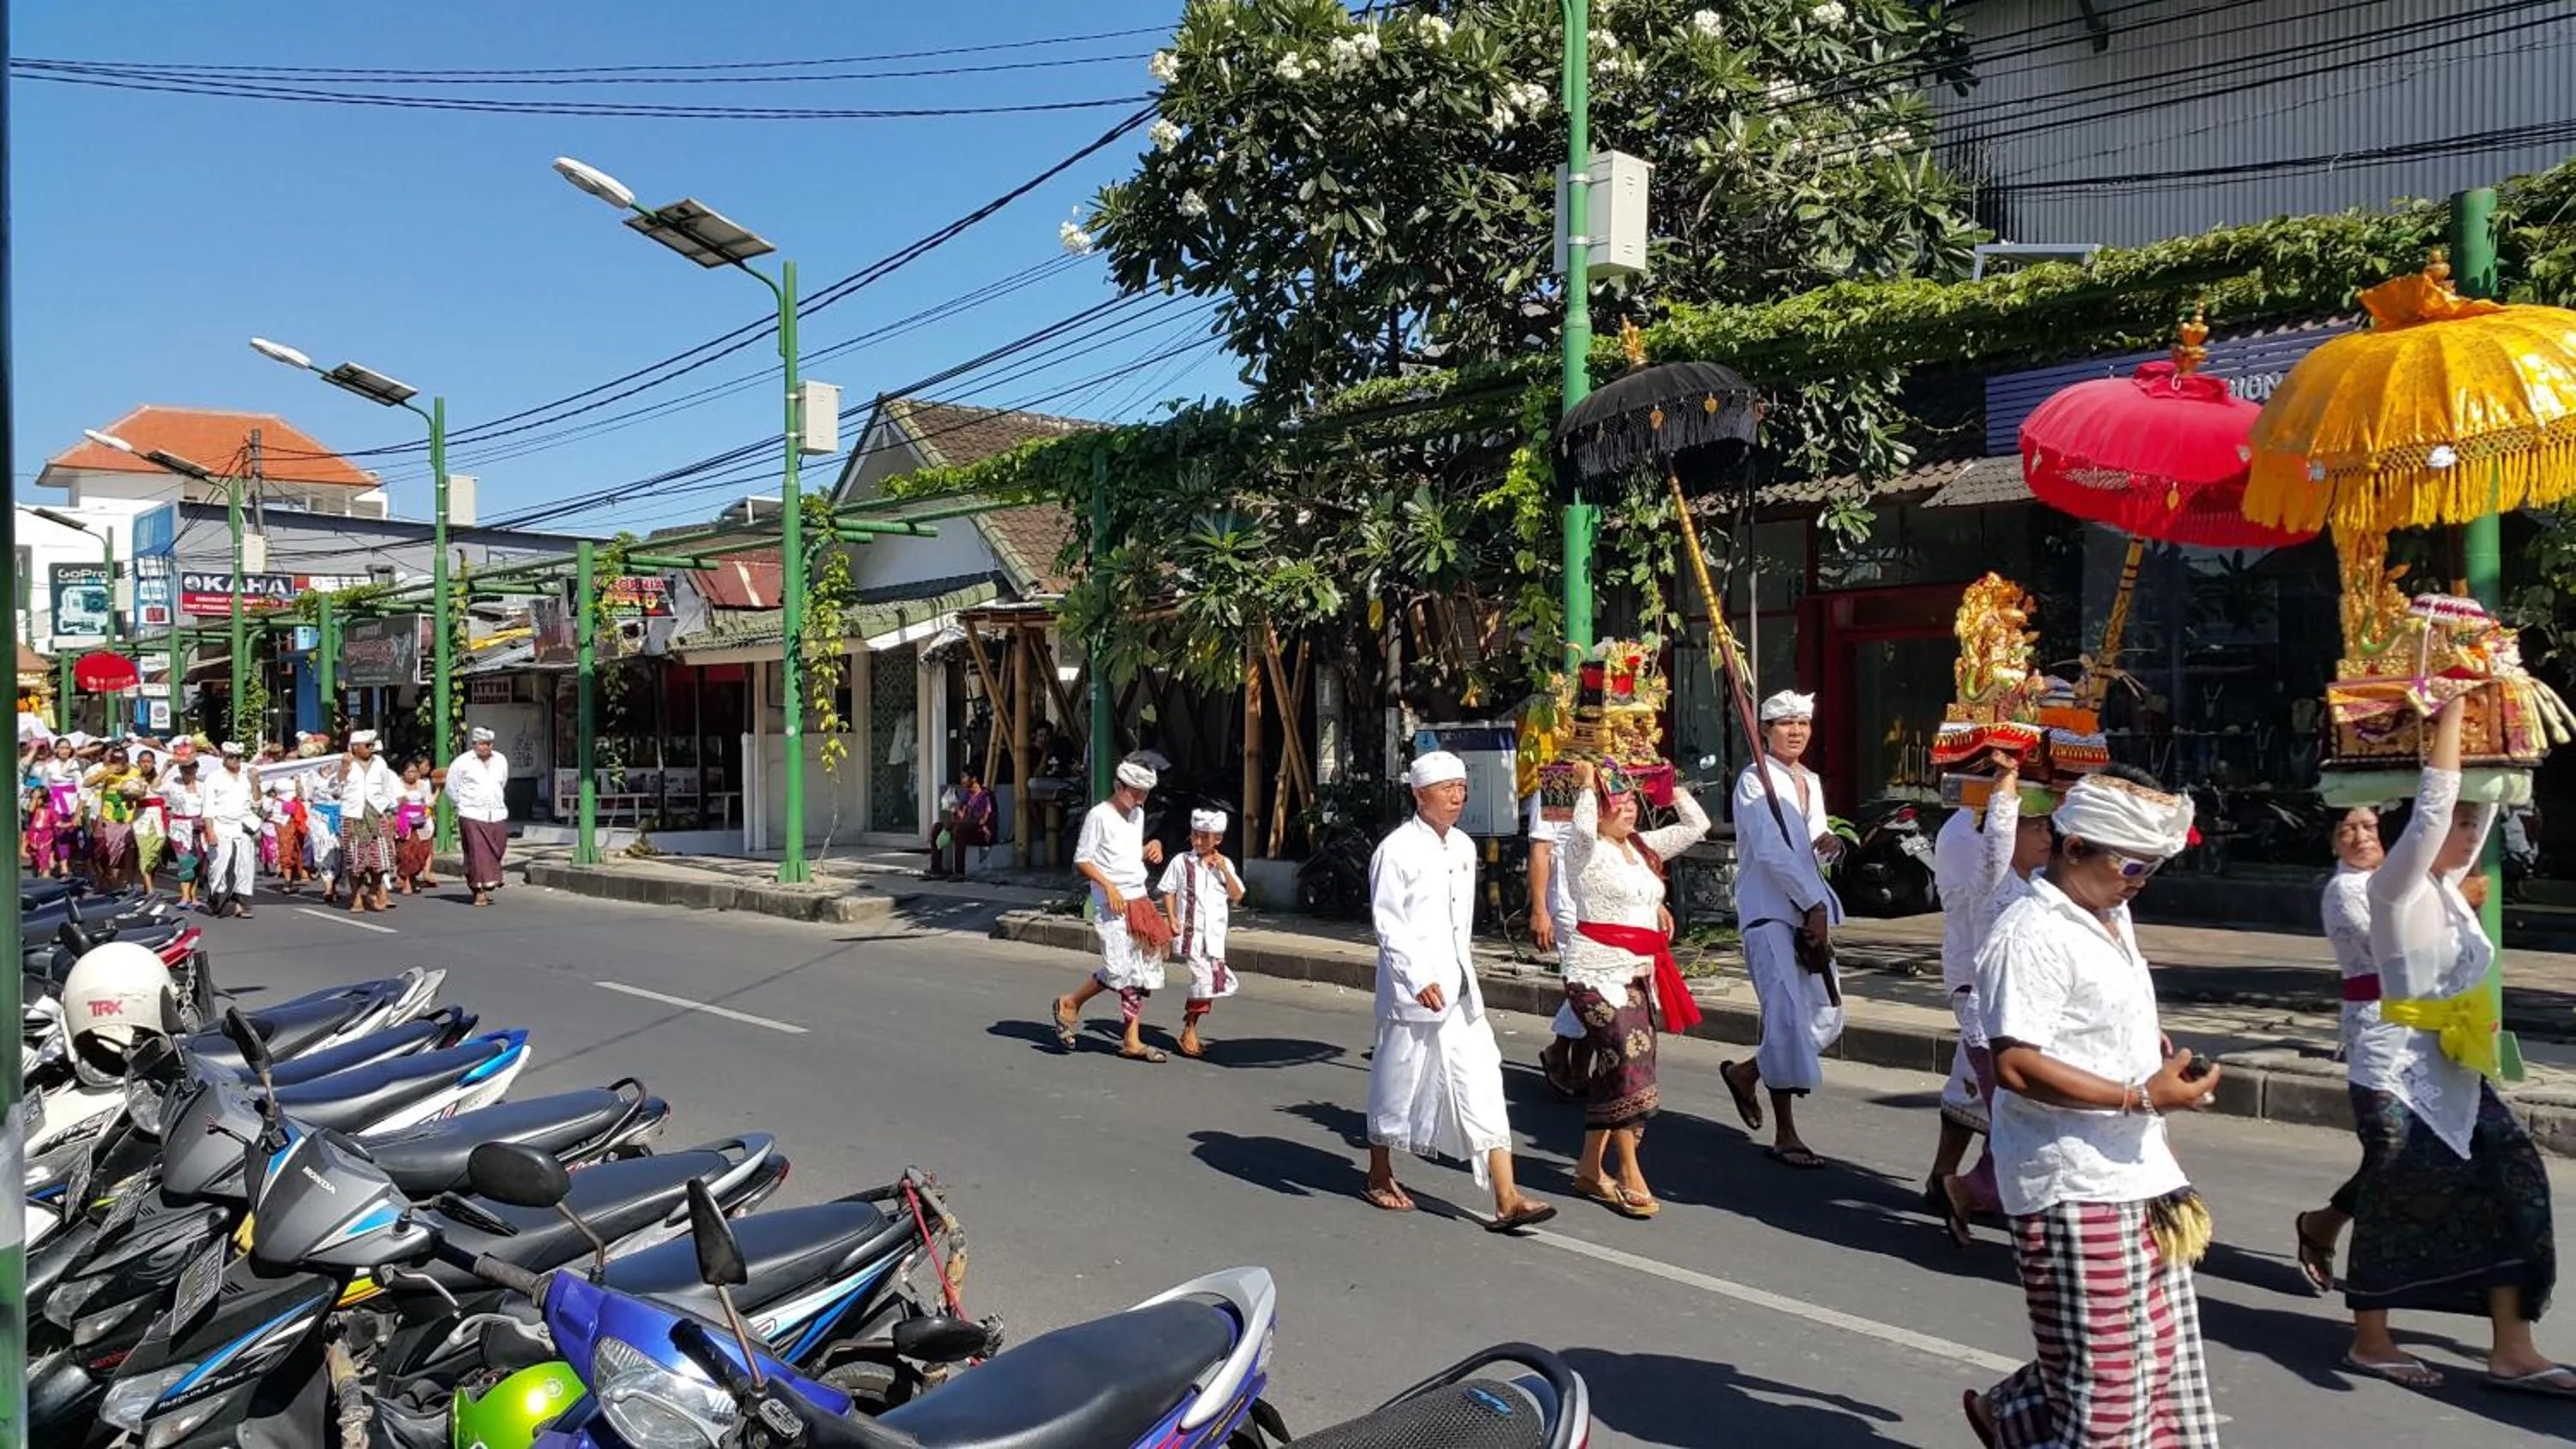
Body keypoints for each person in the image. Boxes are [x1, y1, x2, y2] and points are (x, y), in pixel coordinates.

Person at [1964, 767, 2220, 1448]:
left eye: (2152, 869)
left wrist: (2148, 1049)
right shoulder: (2028, 933)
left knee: (2161, 1364)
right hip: (2071, 1185)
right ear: (2073, 847)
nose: (2139, 881)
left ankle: (2008, 1416)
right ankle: (2013, 1419)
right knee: (2107, 1387)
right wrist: (2140, 1095)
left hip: (2140, 1172)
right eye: (2132, 865)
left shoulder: (2110, 911)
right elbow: (2016, 1063)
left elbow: (2095, 1014)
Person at [2336, 698, 2564, 1394]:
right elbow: (2433, 807)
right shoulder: (2394, 886)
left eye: (2477, 820)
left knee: (2515, 1184)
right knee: (2401, 1193)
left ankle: (2512, 1348)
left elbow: (2485, 800)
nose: (2469, 832)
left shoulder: (2452, 891)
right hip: (2395, 1068)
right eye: (2456, 821)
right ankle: (2371, 1341)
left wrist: (2500, 705)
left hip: (2457, 1068)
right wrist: (2453, 709)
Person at [1359, 751, 1558, 1231]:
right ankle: (1379, 1172)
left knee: (1484, 1079)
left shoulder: (1465, 848)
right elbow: (1388, 924)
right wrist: (1415, 977)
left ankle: (1507, 1196)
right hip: (1414, 993)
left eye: (1461, 787)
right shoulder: (1396, 850)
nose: (1456, 796)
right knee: (1398, 1081)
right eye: (1446, 788)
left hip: (1461, 989)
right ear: (1418, 794)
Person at [1558, 762, 1710, 1219]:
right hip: (1595, 973)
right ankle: (1629, 1170)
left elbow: (1697, 826)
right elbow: (1581, 832)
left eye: (1631, 802)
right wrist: (1587, 787)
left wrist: (1669, 786)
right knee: (1626, 1061)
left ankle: (1589, 1167)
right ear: (1598, 810)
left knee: (1619, 1066)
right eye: (1616, 804)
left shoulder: (1642, 847)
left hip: (1639, 971)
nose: (1628, 810)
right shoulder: (1583, 849)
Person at [1719, 690, 1847, 1169]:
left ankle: (1748, 1071)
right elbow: (1772, 852)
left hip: (1808, 911)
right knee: (1787, 1017)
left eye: (1803, 724)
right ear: (1767, 731)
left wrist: (1827, 845)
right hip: (1771, 911)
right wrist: (1811, 902)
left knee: (1827, 1015)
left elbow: (1810, 845)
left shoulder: (1809, 781)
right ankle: (1786, 1131)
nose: (1796, 731)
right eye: (1785, 723)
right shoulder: (1755, 782)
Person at [1926, 752, 2050, 1247]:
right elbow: (1998, 831)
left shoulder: (2045, 885)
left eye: (2048, 828)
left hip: (2031, 1020)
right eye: (2035, 827)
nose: (2045, 837)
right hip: (1993, 1021)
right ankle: (1977, 1191)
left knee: (2024, 1116)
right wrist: (2006, 778)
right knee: (2026, 1119)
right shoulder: (1992, 877)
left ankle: (1966, 1187)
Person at [2287, 804, 2385, 1301]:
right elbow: (2394, 949)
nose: (2360, 836)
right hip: (2379, 1028)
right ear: (2332, 842)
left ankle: (2326, 1224)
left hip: (2434, 1028)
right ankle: (2330, 1231)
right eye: (2347, 829)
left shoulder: (2401, 878)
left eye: (2369, 826)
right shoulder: (2346, 890)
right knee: (2392, 1150)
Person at [1052, 758, 1172, 1060]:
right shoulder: (1099, 816)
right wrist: (1108, 886)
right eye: (1135, 792)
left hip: (1138, 898)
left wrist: (1151, 846)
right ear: (1118, 786)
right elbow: (1083, 859)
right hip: (1112, 904)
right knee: (1120, 970)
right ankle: (1071, 1002)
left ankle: (1131, 1040)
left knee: (1140, 972)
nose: (1141, 798)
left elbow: (1128, 854)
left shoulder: (1137, 815)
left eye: (1145, 792)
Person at [1159, 807, 1244, 1059]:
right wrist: (1172, 918)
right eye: (1195, 835)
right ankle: (1190, 1030)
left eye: (1205, 837)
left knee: (1216, 983)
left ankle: (1190, 1023)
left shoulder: (1223, 864)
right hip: (1191, 934)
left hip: (1214, 938)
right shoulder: (1181, 862)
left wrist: (1224, 870)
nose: (1198, 841)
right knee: (1204, 981)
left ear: (1217, 839)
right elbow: (1168, 890)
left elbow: (1237, 894)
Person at [340, 730, 404, 913]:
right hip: (353, 815)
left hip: (377, 813)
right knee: (356, 861)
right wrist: (344, 768)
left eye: (371, 745)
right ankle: (356, 897)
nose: (370, 749)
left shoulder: (380, 763)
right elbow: (335, 788)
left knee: (382, 859)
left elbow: (388, 789)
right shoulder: (346, 764)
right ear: (355, 747)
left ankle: (374, 888)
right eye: (366, 745)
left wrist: (392, 812)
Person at [447, 727, 512, 906]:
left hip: (496, 812)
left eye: (489, 744)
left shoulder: (501, 760)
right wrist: (463, 805)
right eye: (482, 744)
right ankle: (478, 890)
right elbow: (451, 788)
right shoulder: (462, 762)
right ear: (474, 743)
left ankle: (489, 880)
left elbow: (502, 782)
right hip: (471, 813)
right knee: (477, 852)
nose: (485, 747)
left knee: (498, 847)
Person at [201, 742, 260, 919]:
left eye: (238, 758)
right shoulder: (214, 778)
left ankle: (243, 904)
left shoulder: (246, 777)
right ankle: (216, 899)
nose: (235, 761)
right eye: (231, 757)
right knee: (219, 866)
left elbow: (256, 802)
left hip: (243, 826)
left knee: (245, 865)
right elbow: (208, 808)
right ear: (224, 757)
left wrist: (255, 783)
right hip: (221, 826)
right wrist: (210, 831)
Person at [85, 744, 142, 890]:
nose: (119, 766)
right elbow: (87, 783)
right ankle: (107, 876)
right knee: (103, 852)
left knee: (127, 851)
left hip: (128, 818)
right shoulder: (107, 773)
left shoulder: (135, 773)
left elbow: (142, 792)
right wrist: (106, 772)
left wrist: (129, 793)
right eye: (115, 762)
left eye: (121, 762)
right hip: (108, 818)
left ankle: (125, 882)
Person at [927, 769, 996, 880]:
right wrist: (954, 810)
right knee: (937, 827)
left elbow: (983, 820)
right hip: (965, 828)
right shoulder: (967, 794)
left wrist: (958, 822)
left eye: (965, 777)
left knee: (960, 828)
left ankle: (959, 872)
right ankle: (936, 870)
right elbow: (961, 815)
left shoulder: (986, 796)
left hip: (981, 832)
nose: (962, 780)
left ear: (974, 779)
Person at [161, 758, 206, 911]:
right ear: (180, 770)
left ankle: (193, 896)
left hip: (199, 829)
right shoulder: (174, 784)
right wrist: (165, 769)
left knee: (198, 862)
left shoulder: (203, 786)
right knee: (184, 861)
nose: (188, 771)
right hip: (180, 828)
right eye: (185, 769)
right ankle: (184, 896)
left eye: (192, 768)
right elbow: (155, 787)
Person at [394, 762, 435, 895]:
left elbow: (428, 801)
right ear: (403, 773)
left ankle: (414, 877)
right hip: (404, 822)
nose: (412, 775)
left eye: (415, 772)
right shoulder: (397, 785)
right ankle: (406, 882)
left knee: (421, 850)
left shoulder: (423, 784)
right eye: (409, 772)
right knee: (406, 853)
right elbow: (393, 803)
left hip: (421, 821)